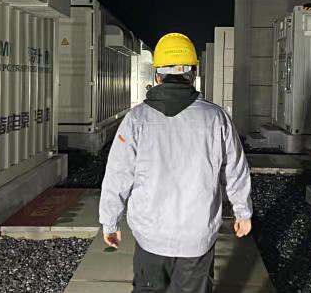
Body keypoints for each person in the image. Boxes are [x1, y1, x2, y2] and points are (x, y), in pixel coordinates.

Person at [99, 32, 252, 293]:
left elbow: (118, 173)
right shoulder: (216, 118)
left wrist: (110, 221)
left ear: (157, 75)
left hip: (150, 234)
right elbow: (235, 170)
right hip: (197, 234)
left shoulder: (137, 119)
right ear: (193, 73)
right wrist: (242, 211)